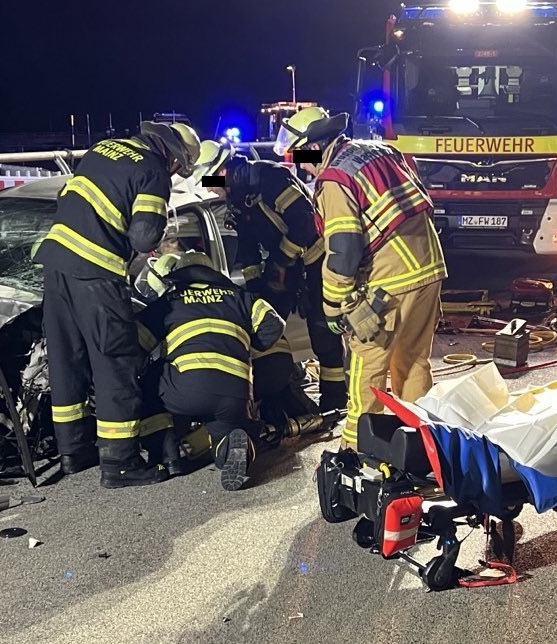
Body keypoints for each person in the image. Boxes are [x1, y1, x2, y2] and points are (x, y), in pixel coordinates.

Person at [33, 120, 201, 488]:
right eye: (178, 168)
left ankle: (74, 452)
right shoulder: (152, 170)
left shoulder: (102, 149)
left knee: (67, 360)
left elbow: (68, 200)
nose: (173, 173)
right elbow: (143, 238)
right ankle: (120, 464)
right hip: (96, 273)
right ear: (172, 157)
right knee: (115, 362)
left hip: (56, 266)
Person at [274, 106, 447, 451]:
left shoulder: (334, 181)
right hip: (428, 269)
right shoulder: (380, 150)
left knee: (366, 367)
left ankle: (355, 454)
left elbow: (344, 251)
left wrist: (334, 306)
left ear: (315, 145)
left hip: (390, 282)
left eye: (300, 156)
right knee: (412, 362)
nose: (301, 166)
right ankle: (424, 448)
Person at [194, 139, 346, 411]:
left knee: (322, 328)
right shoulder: (238, 197)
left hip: (315, 257)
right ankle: (282, 387)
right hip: (284, 262)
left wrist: (282, 259)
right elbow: (248, 246)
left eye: (209, 181)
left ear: (223, 172)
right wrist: (255, 288)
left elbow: (304, 220)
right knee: (269, 320)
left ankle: (334, 398)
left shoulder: (271, 178)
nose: (211, 189)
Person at [134, 250, 286, 491]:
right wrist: (250, 344)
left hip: (186, 390)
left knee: (148, 384)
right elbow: (274, 323)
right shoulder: (240, 296)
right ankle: (233, 445)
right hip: (235, 393)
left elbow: (137, 340)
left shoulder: (172, 300)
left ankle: (168, 456)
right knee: (224, 428)